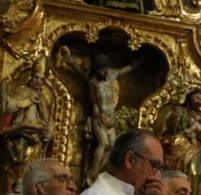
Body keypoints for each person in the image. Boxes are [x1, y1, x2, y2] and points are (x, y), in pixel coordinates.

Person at [59, 46, 144, 184]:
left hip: (111, 117)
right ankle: (92, 172)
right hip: (98, 116)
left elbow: (129, 67)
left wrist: (143, 58)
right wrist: (67, 57)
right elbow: (75, 66)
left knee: (112, 147)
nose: (103, 71)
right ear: (96, 68)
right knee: (103, 143)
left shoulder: (112, 75)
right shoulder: (90, 78)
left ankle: (97, 173)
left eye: (104, 68)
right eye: (100, 69)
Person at [0, 56, 54, 194]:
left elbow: (48, 120)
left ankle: (23, 185)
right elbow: (9, 107)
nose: (38, 81)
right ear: (32, 77)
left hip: (36, 136)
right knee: (19, 158)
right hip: (20, 132)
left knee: (32, 163)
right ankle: (13, 185)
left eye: (42, 79)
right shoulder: (23, 91)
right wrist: (4, 93)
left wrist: (50, 131)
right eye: (36, 77)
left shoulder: (43, 99)